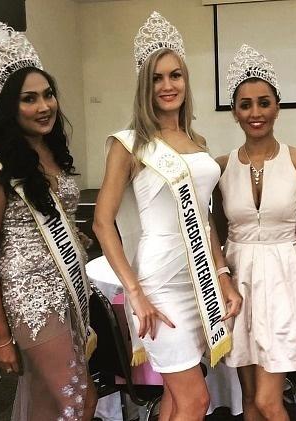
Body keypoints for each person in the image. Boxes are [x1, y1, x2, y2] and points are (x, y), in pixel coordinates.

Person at [93, 11, 242, 421]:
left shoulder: (197, 140)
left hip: (199, 281)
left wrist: (223, 276)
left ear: (185, 80)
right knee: (196, 400)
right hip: (159, 283)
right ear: (145, 86)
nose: (167, 85)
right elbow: (102, 223)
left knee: (178, 399)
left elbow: (204, 219)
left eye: (175, 75)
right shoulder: (130, 144)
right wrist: (135, 293)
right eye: (157, 78)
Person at [0, 23, 96, 420]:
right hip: (31, 299)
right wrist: (0, 335)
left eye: (47, 95)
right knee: (77, 399)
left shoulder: (53, 153)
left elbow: (57, 219)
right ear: (9, 108)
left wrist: (76, 237)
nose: (44, 106)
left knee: (50, 402)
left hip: (69, 287)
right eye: (29, 99)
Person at [212, 44, 296, 421]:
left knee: (267, 400)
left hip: (283, 282)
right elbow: (217, 230)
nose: (255, 113)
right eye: (245, 105)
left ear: (278, 106)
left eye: (264, 103)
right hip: (238, 282)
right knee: (248, 397)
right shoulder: (221, 166)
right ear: (234, 112)